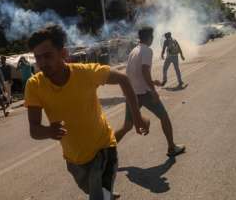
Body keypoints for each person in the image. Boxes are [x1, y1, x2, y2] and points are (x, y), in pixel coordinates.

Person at [24, 25, 149, 200]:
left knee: (99, 196)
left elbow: (123, 79)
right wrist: (48, 131)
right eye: (38, 58)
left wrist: (136, 117)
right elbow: (34, 130)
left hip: (103, 148)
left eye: (48, 56)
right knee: (95, 192)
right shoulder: (34, 86)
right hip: (74, 160)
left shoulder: (85, 73)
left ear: (63, 53)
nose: (42, 62)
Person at [115, 27, 186, 157]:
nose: (153, 39)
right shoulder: (147, 50)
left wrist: (153, 82)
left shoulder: (134, 51)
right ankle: (171, 147)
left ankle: (104, 151)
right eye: (152, 36)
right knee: (164, 117)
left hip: (133, 94)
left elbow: (133, 74)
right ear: (149, 38)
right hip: (144, 93)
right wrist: (153, 90)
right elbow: (144, 71)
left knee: (127, 126)